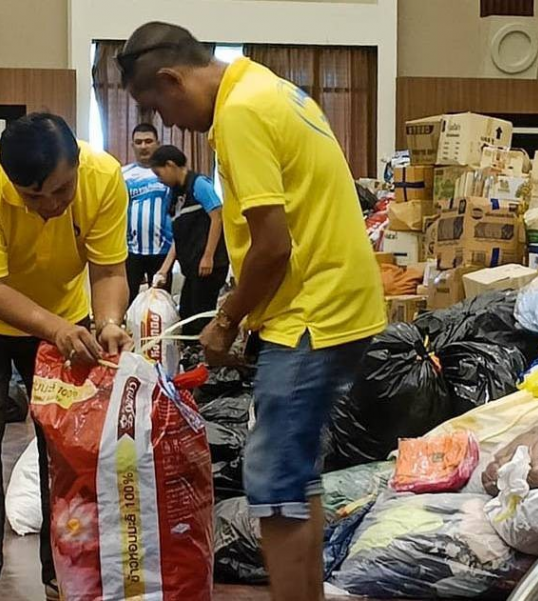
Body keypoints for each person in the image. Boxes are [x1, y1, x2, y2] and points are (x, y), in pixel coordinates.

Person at [120, 23, 387, 601]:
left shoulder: (241, 112)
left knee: (273, 475)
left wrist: (227, 321)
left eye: (157, 107)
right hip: (332, 301)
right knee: (293, 473)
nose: (166, 123)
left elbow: (273, 247)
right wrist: (248, 312)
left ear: (172, 79)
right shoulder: (266, 86)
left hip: (313, 310)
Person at [0, 112, 133, 601]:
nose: (51, 206)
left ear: (77, 165)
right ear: (11, 181)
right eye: (33, 197)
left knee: (64, 448)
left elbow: (108, 270)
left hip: (62, 315)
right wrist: (59, 330)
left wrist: (108, 322)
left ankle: (62, 571)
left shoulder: (104, 177)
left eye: (62, 191)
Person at [149, 144, 228, 335]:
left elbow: (217, 217)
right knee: (186, 313)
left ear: (170, 165)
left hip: (209, 265)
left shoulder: (199, 184)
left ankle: (203, 351)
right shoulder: (174, 196)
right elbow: (178, 238)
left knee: (200, 316)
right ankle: (190, 349)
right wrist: (163, 270)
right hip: (192, 267)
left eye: (159, 174)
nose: (160, 179)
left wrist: (208, 256)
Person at [122, 123, 174, 302]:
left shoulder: (168, 173)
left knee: (161, 303)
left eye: (148, 141)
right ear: (132, 145)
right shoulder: (123, 174)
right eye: (138, 142)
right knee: (127, 301)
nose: (143, 146)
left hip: (162, 250)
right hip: (131, 250)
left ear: (157, 143)